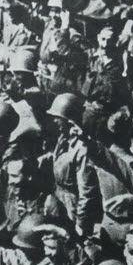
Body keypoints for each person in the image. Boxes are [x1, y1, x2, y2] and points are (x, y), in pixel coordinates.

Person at [45, 93, 103, 242]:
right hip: (59, 200)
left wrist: (80, 223)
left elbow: (86, 191)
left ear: (69, 120)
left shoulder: (81, 149)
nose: (54, 120)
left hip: (73, 208)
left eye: (57, 117)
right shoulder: (63, 138)